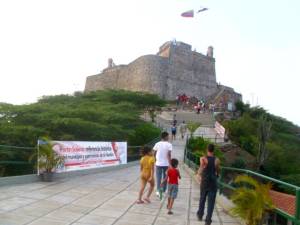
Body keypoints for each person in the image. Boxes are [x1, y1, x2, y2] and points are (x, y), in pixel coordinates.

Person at [196, 144, 221, 225]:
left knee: (202, 199)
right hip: (213, 183)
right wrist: (217, 174)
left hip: (205, 182)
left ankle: (200, 215)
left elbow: (201, 168)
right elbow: (217, 170)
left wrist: (198, 175)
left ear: (207, 149)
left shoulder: (202, 159)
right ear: (213, 150)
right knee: (211, 202)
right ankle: (208, 220)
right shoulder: (217, 160)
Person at [153, 132, 172, 198]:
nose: (169, 137)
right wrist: (170, 164)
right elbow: (169, 155)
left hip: (158, 163)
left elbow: (154, 153)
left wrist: (155, 160)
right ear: (166, 136)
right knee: (165, 177)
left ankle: (158, 191)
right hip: (166, 164)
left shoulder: (157, 144)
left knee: (158, 177)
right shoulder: (169, 144)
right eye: (168, 136)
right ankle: (163, 190)